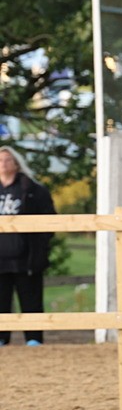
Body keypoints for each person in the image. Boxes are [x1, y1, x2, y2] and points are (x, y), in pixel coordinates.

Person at [0, 146, 56, 347]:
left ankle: (33, 339)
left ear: (16, 163)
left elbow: (50, 220)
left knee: (31, 300)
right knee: (1, 302)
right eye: (0, 160)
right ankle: (1, 339)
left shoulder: (32, 190)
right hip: (1, 260)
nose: (3, 164)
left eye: (7, 159)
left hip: (26, 258)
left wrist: (40, 246)